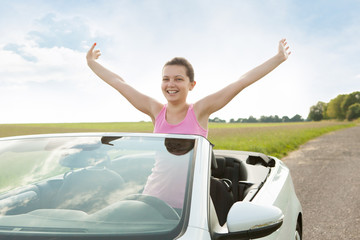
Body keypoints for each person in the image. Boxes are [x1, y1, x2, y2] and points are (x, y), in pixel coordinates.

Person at [86, 39, 291, 138]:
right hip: (155, 193)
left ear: (191, 85)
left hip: (191, 202)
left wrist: (278, 59)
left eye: (178, 79)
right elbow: (119, 83)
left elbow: (241, 81)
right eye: (166, 79)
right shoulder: (155, 110)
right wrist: (92, 63)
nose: (171, 84)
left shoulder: (200, 110)